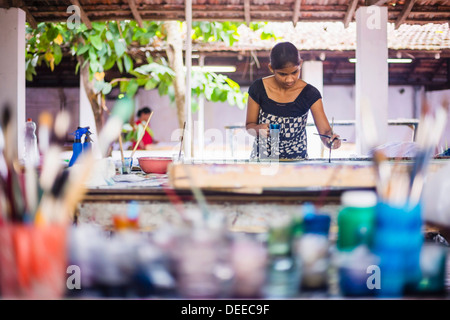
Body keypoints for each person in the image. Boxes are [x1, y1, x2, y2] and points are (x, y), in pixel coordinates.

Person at [245, 41, 341, 160]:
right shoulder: (258, 89)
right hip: (263, 161)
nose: (289, 79)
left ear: (300, 64)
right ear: (271, 68)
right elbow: (250, 126)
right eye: (282, 74)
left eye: (295, 72)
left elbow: (325, 131)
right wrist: (257, 129)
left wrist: (331, 140)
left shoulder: (310, 93)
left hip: (297, 163)